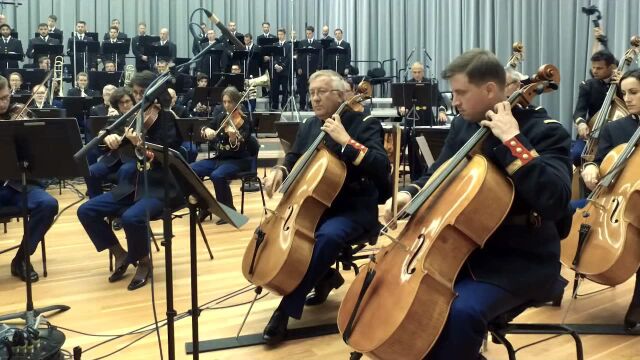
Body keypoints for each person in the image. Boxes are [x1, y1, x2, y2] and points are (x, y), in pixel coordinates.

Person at [382, 49, 572, 359]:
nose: (453, 101)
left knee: (458, 311)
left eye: (460, 92)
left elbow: (556, 201)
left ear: (489, 90)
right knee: (408, 298)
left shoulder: (545, 131)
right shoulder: (463, 125)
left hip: (521, 260)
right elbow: (438, 173)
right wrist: (408, 194)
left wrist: (513, 141)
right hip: (458, 251)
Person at [261, 70, 391, 344]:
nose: (315, 98)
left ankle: (286, 309)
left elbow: (381, 166)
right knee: (292, 236)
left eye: (322, 92)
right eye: (312, 92)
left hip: (353, 207)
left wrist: (347, 142)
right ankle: (326, 275)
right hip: (314, 205)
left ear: (342, 95)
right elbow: (294, 155)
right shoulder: (310, 125)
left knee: (328, 237)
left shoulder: (364, 123)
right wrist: (280, 169)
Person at [77, 71, 183, 291]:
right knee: (86, 210)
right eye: (136, 93)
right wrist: (110, 138)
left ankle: (144, 263)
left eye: (143, 93)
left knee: (131, 218)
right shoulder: (132, 117)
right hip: (132, 185)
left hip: (158, 187)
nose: (138, 98)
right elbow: (111, 135)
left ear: (155, 93)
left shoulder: (166, 118)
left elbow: (170, 155)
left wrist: (142, 146)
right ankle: (120, 254)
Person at [579, 68, 640, 334]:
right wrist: (591, 167)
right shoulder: (615, 128)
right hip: (623, 203)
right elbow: (598, 159)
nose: (627, 98)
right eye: (624, 93)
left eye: (634, 92)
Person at [0, 75, 59, 282]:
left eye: (6, 98)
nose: (3, 104)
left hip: (17, 185)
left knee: (48, 204)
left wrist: (26, 130)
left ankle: (22, 258)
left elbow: (39, 149)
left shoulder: (20, 112)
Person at [190, 86, 252, 224]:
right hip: (220, 158)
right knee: (191, 169)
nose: (226, 105)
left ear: (236, 102)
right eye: (224, 102)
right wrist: (207, 131)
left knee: (217, 175)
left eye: (229, 102)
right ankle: (204, 206)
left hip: (238, 160)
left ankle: (229, 211)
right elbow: (205, 127)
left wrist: (233, 139)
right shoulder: (221, 117)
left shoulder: (244, 121)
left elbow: (241, 147)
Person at [571, 50, 618, 165]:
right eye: (593, 67)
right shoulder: (587, 85)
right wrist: (581, 123)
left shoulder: (622, 84)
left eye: (599, 68)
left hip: (615, 132)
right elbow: (579, 111)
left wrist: (622, 85)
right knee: (577, 156)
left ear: (611, 67)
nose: (594, 71)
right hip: (592, 132)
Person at [296, 26, 321, 111]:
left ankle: (311, 105)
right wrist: (299, 67)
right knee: (302, 88)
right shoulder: (302, 43)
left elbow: (320, 57)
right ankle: (302, 105)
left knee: (313, 88)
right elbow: (298, 56)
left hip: (313, 69)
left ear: (313, 33)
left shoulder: (317, 43)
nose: (308, 35)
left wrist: (318, 68)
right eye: (307, 33)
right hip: (303, 69)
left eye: (309, 33)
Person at [270, 28, 290, 110]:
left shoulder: (288, 45)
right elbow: (273, 56)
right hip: (275, 71)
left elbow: (288, 58)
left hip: (284, 71)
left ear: (284, 35)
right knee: (275, 89)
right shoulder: (275, 45)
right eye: (279, 34)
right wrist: (275, 65)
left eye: (281, 34)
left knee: (285, 89)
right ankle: (275, 105)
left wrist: (282, 66)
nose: (280, 36)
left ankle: (284, 106)